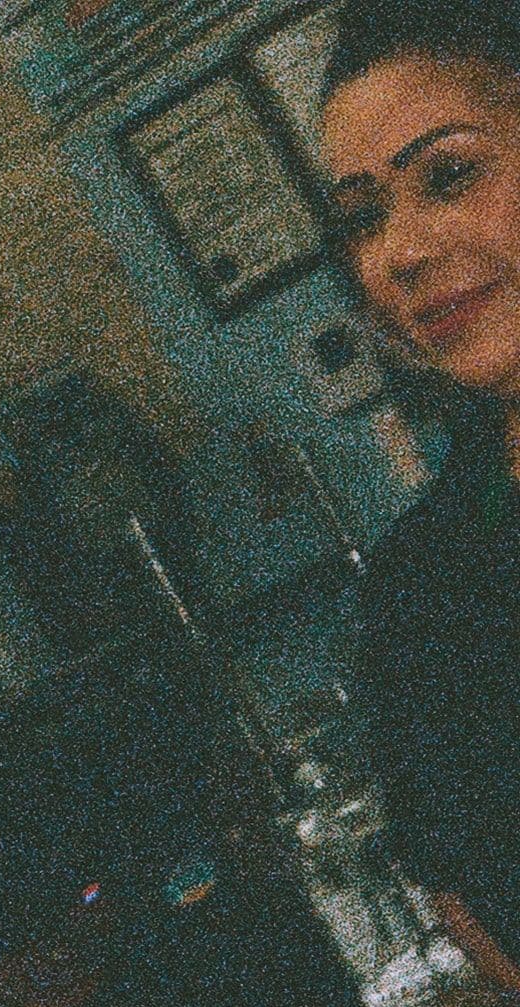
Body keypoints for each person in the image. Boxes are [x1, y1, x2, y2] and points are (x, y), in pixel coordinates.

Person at [324, 0, 520, 948]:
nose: (397, 253)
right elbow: (475, 913)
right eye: (362, 219)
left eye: (449, 176)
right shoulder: (424, 591)